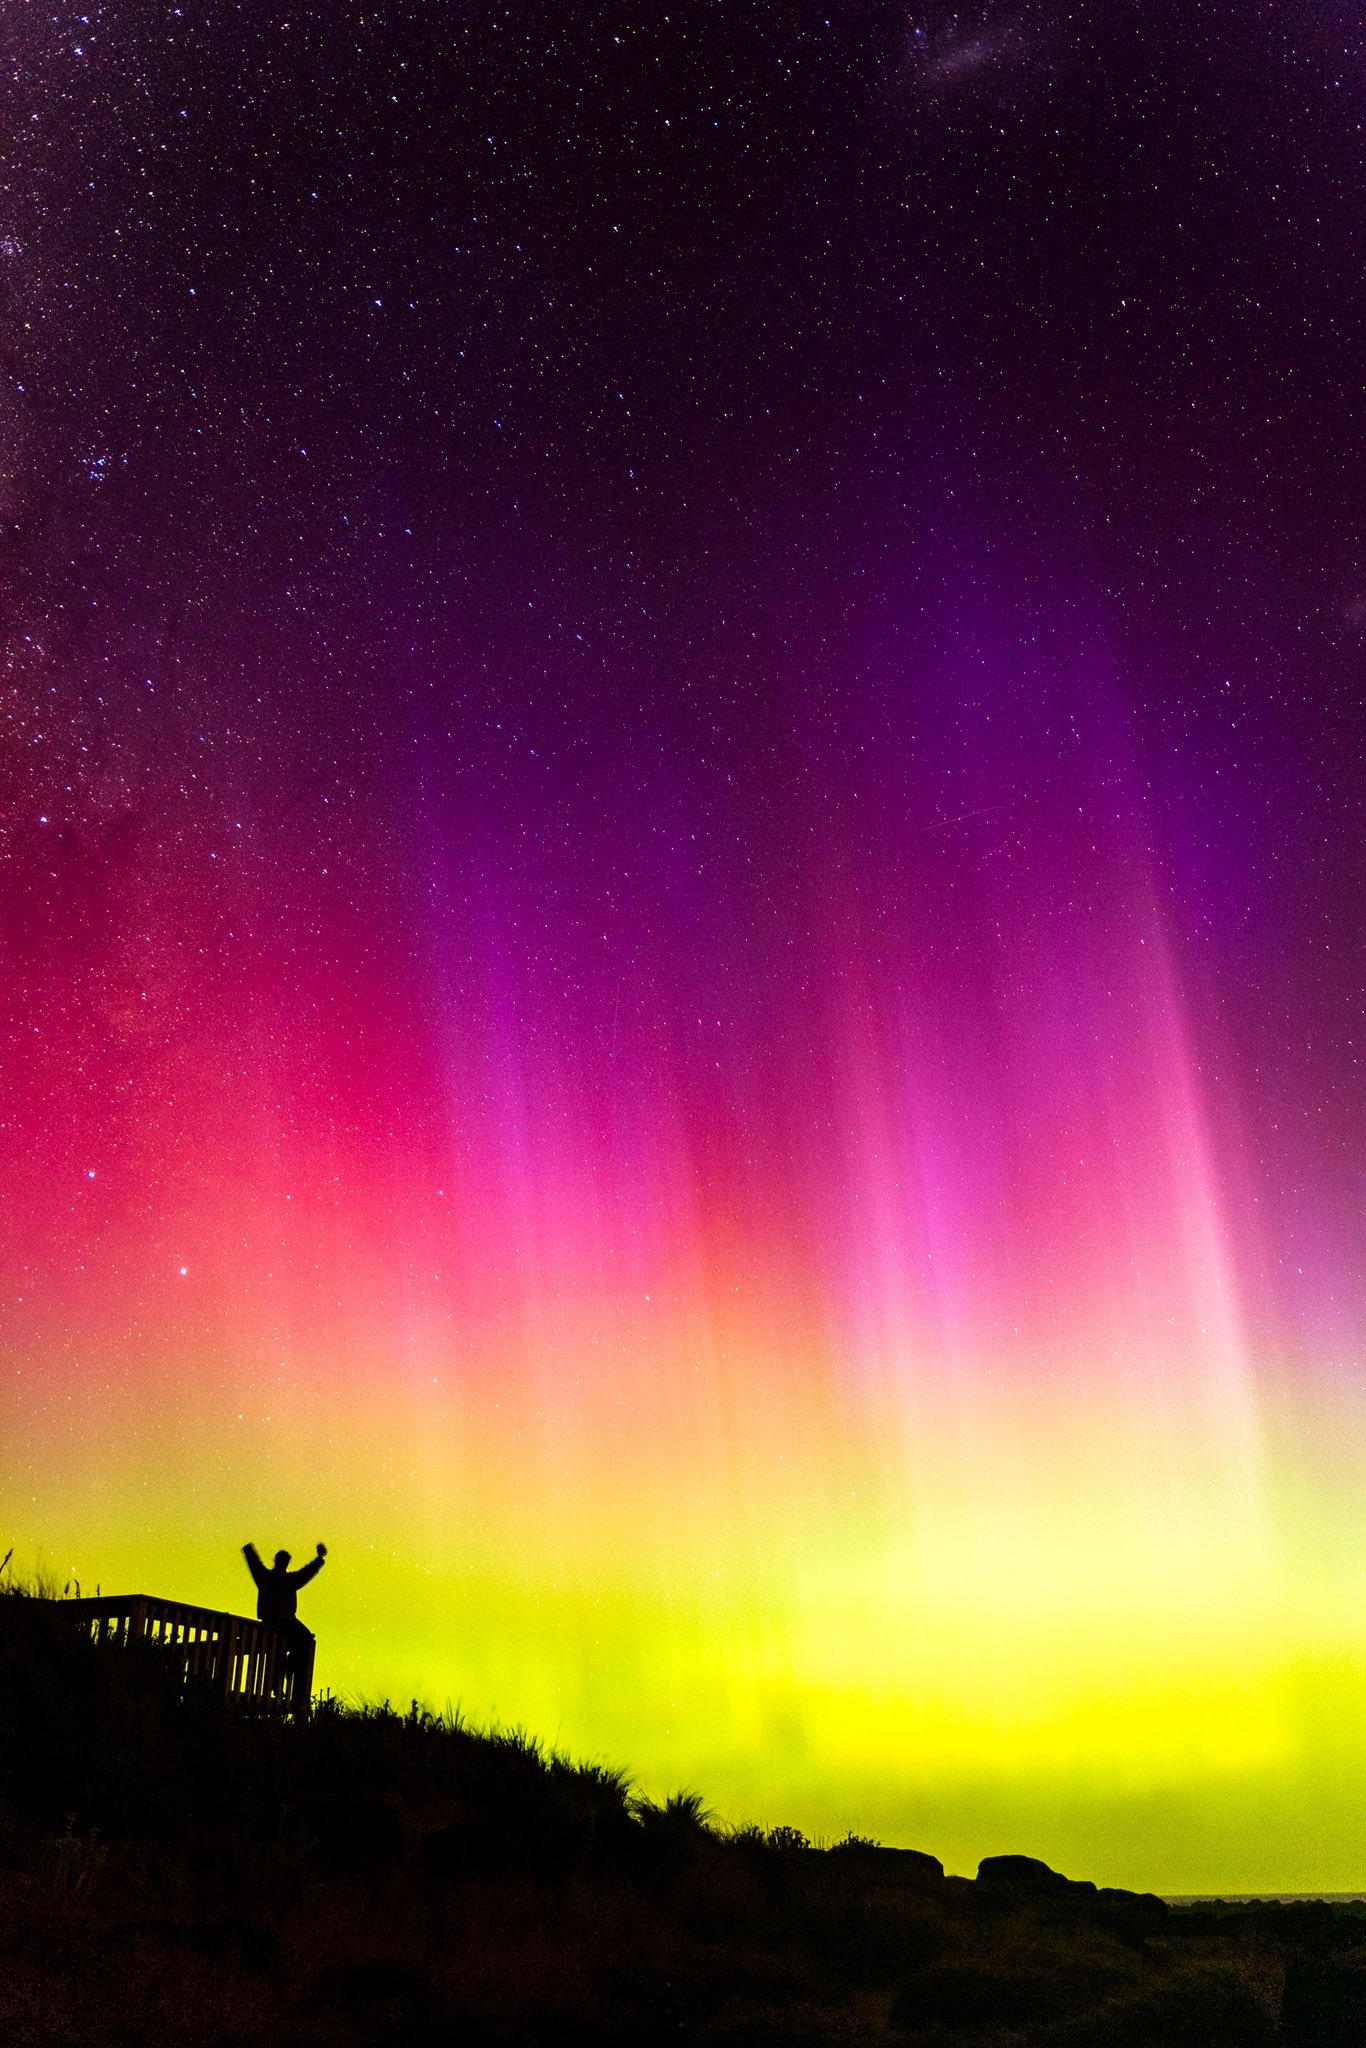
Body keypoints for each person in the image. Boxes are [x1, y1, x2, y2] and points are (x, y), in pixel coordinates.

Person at [241, 1540, 327, 1692]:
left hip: (269, 1622)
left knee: (277, 1653)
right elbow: (306, 1573)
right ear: (286, 1563)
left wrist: (249, 1550)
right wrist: (319, 1559)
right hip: (285, 1622)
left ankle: (280, 1680)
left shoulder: (265, 1578)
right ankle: (289, 1672)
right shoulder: (287, 1580)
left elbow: (255, 1563)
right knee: (304, 1641)